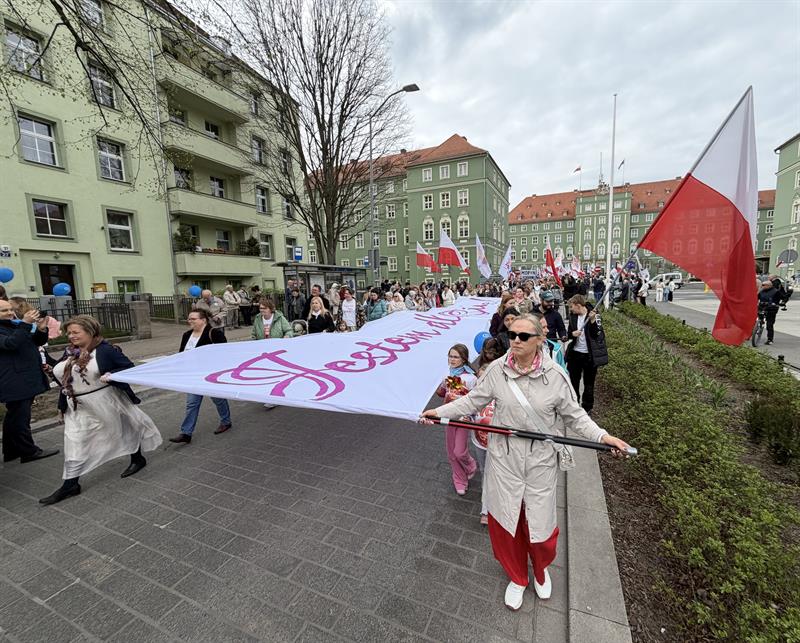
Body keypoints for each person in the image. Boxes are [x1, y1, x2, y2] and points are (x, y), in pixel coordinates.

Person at [421, 314, 629, 611]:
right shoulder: (496, 370)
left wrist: (603, 437)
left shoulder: (555, 376)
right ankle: (518, 577)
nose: (515, 340)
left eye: (523, 336)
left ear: (539, 341)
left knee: (541, 527)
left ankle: (541, 570)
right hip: (504, 461)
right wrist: (438, 413)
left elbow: (575, 416)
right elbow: (473, 400)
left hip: (539, 463)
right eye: (512, 335)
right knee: (507, 524)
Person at [41, 315, 162, 505]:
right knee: (75, 441)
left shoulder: (106, 350)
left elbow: (129, 369)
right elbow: (67, 381)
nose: (71, 336)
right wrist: (61, 405)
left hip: (105, 400)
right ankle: (70, 484)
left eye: (75, 332)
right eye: (69, 333)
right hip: (77, 406)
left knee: (123, 429)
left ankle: (137, 458)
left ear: (90, 331)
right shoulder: (70, 351)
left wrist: (112, 375)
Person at [0, 299, 60, 464]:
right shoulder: (14, 327)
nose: (10, 313)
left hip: (23, 377)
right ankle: (29, 451)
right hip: (14, 380)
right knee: (20, 417)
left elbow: (36, 341)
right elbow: (11, 343)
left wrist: (41, 329)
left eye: (10, 309)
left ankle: (12, 451)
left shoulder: (13, 325)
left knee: (14, 416)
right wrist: (25, 324)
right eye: (4, 311)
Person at [168, 309, 232, 445]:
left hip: (210, 376)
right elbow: (181, 354)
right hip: (193, 376)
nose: (189, 321)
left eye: (193, 319)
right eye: (189, 318)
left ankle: (226, 421)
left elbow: (225, 354)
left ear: (203, 320)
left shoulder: (214, 334)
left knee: (219, 400)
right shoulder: (186, 335)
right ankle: (186, 433)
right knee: (192, 404)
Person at [435, 344, 478, 496]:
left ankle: (470, 465)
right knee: (451, 453)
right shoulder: (448, 374)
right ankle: (459, 479)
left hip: (464, 418)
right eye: (450, 356)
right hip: (449, 416)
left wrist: (470, 414)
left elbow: (476, 400)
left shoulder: (471, 378)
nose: (452, 360)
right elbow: (444, 393)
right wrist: (439, 387)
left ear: (464, 359)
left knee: (459, 452)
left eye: (456, 357)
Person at [473, 337, 504, 525]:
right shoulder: (475, 393)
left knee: (494, 472)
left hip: (498, 440)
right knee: (485, 470)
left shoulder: (503, 392)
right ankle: (488, 502)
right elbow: (466, 407)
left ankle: (488, 508)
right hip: (479, 440)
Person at [565, 295, 608, 415]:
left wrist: (593, 321)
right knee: (573, 382)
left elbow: (597, 334)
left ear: (578, 305)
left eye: (572, 307)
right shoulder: (573, 316)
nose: (571, 309)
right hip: (575, 355)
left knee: (589, 384)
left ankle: (587, 408)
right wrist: (572, 334)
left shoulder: (594, 315)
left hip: (589, 356)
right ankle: (574, 405)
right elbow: (569, 333)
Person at [758, 279, 782, 345]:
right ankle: (759, 324)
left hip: (771, 309)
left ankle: (770, 339)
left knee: (769, 324)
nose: (762, 286)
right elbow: (757, 297)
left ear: (769, 285)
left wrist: (779, 304)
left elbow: (780, 299)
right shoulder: (762, 291)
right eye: (762, 285)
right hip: (762, 307)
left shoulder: (776, 291)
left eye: (763, 285)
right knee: (759, 317)